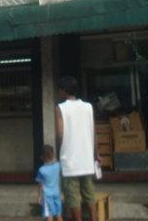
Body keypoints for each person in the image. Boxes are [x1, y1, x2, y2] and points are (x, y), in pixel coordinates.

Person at [55, 76, 98, 221]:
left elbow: (60, 134)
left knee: (73, 196)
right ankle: (94, 219)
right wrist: (96, 154)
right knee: (89, 194)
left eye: (59, 89)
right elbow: (93, 132)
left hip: (70, 159)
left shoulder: (60, 108)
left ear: (63, 90)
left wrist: (59, 150)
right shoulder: (88, 107)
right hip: (86, 159)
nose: (59, 92)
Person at [36, 145, 63, 221]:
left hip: (47, 195)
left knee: (49, 215)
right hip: (57, 193)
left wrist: (38, 196)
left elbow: (40, 184)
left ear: (42, 157)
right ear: (53, 154)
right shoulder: (58, 166)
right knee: (59, 214)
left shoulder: (41, 170)